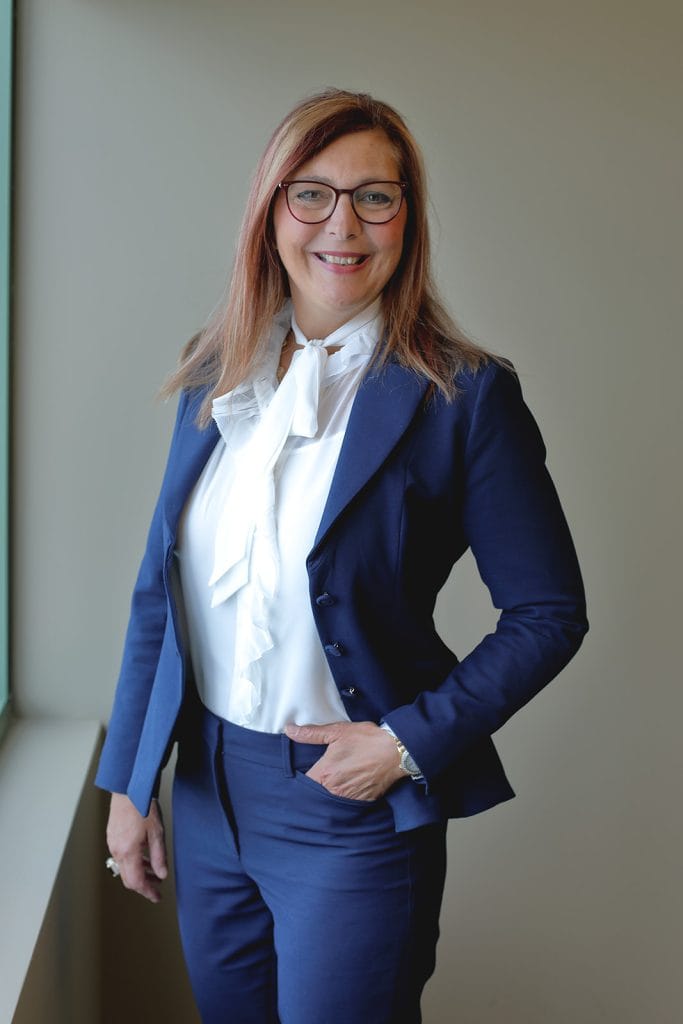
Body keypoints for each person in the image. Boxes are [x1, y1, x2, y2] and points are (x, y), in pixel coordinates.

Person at [96, 88, 588, 1024]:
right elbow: (161, 596)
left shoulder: (462, 397)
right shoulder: (215, 369)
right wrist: (131, 782)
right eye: (312, 194)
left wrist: (405, 744)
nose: (342, 224)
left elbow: (549, 613)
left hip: (347, 810)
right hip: (204, 792)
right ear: (271, 210)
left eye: (375, 197)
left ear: (408, 217)